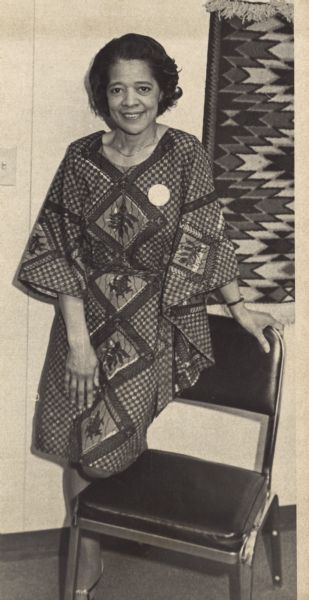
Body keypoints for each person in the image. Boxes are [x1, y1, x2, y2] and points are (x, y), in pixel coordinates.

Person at [17, 33, 283, 599]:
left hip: (149, 324)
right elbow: (59, 251)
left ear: (163, 90)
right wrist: (80, 341)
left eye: (143, 87)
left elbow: (206, 238)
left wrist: (237, 306)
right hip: (81, 323)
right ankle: (85, 551)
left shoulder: (185, 154)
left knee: (102, 448)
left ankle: (95, 539)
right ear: (102, 95)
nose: (130, 100)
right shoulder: (80, 159)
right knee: (75, 438)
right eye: (118, 89)